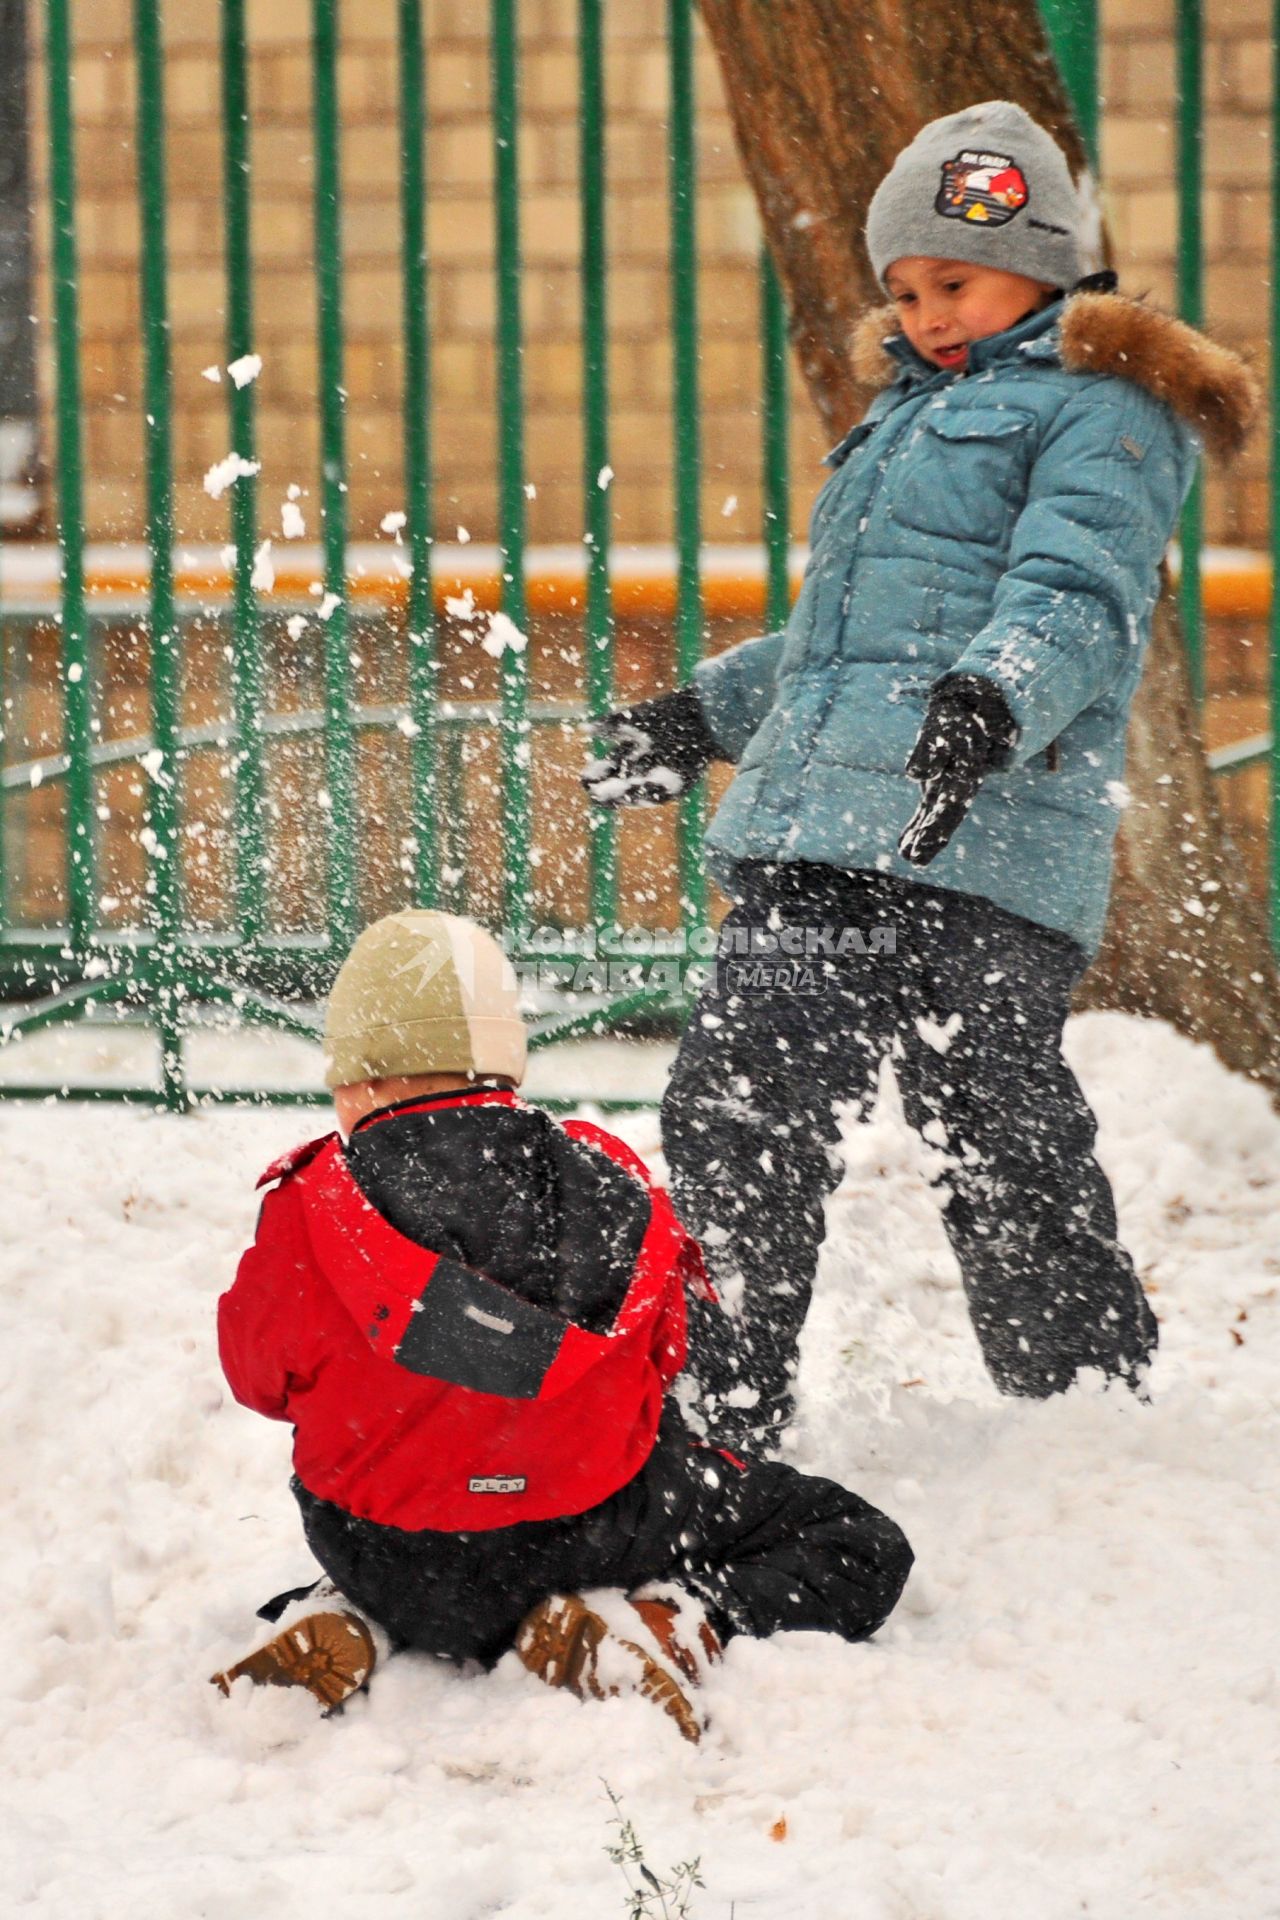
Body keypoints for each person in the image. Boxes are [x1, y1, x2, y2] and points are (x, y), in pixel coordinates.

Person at [583, 100, 1258, 1453]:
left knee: (996, 1124)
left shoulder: (1108, 415)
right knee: (738, 1102)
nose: (926, 310)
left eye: (953, 277)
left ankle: (1083, 1416)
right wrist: (701, 715)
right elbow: (848, 643)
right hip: (822, 835)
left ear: (1047, 262)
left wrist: (993, 698)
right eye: (904, 288)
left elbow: (1077, 597)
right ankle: (716, 1407)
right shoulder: (903, 420)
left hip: (982, 839)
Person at [212, 909, 912, 1736]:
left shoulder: (311, 1205)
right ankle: (669, 1621)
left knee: (415, 1525)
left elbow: (259, 1382)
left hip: (379, 1552)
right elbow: (665, 1359)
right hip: (591, 1541)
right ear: (502, 1058)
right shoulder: (606, 1183)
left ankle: (349, 1616)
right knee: (859, 1542)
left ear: (358, 1078)